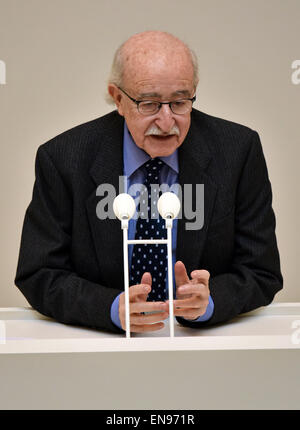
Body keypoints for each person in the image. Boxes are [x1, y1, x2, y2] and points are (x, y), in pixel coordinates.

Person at [15, 31, 283, 334]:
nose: (167, 121)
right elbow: (39, 274)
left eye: (180, 102)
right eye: (149, 104)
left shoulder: (238, 151)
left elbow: (262, 271)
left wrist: (210, 302)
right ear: (118, 98)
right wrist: (109, 308)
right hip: (101, 347)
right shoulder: (64, 158)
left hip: (198, 345)